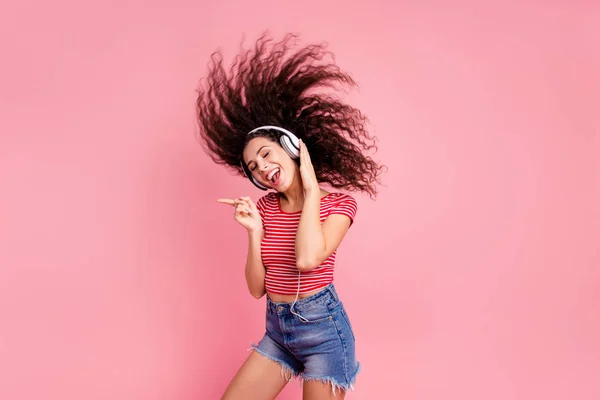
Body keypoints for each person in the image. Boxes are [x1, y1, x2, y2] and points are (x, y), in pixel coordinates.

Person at [195, 33, 383, 400]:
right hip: (279, 330)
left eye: (267, 155)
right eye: (253, 166)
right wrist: (252, 232)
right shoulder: (264, 209)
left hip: (324, 334)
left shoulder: (338, 206)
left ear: (292, 148)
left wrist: (311, 188)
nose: (262, 168)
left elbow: (307, 258)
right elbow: (256, 288)